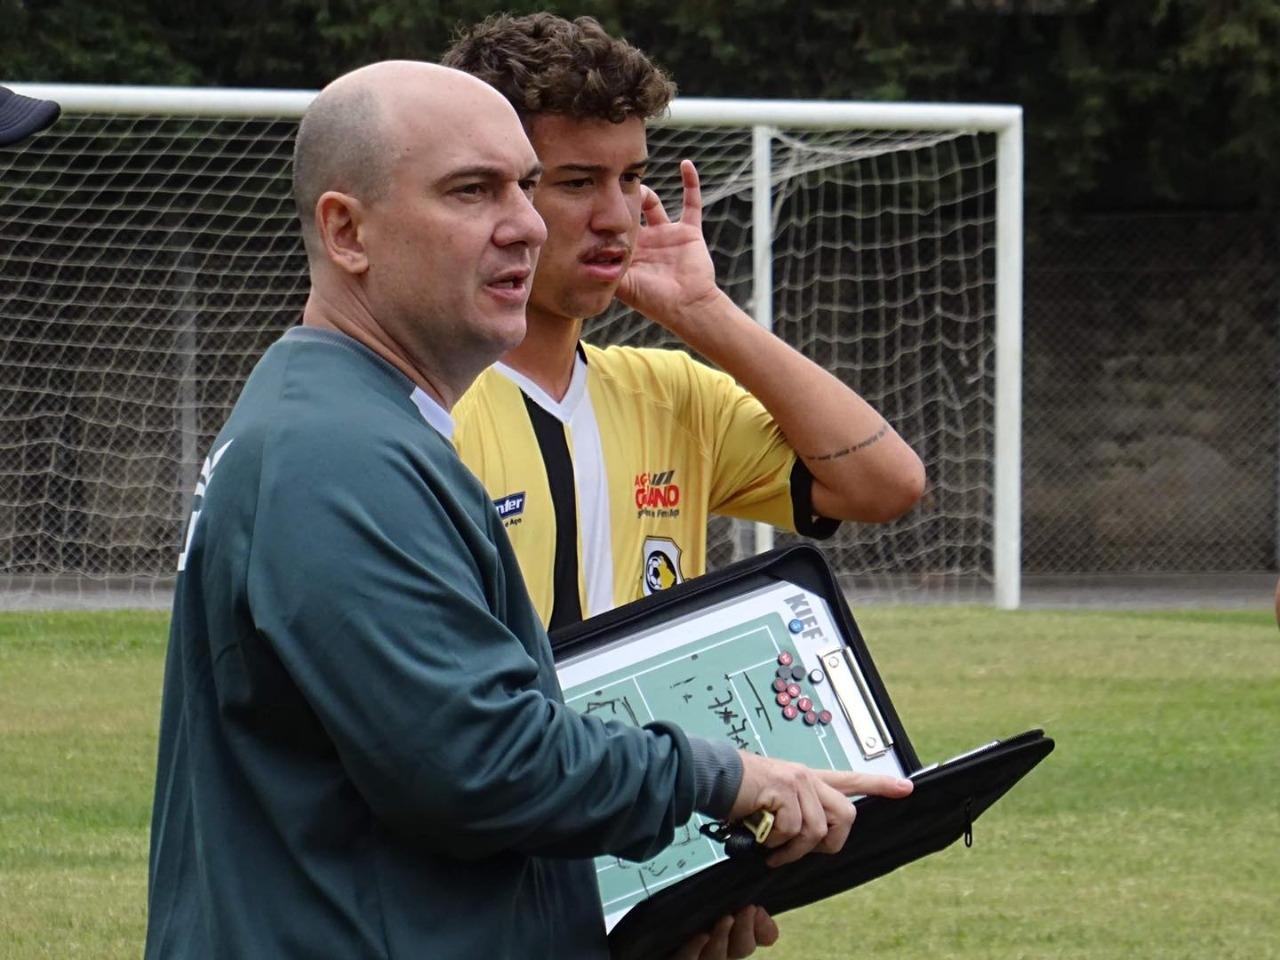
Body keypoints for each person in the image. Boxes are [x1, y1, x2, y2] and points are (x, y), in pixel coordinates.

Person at [144, 60, 913, 960]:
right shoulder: (338, 455)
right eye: (473, 191)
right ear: (347, 232)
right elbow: (480, 761)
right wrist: (722, 775)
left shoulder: (357, 422)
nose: (523, 224)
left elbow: (437, 774)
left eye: (524, 187)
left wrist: (646, 908)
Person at [443, 14, 926, 631]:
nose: (616, 216)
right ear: (488, 191)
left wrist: (704, 312)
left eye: (632, 178)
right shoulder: (424, 409)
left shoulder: (671, 393)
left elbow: (885, 485)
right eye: (577, 182)